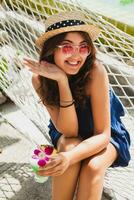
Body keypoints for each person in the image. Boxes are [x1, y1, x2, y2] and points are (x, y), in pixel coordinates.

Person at [24, 11, 131, 200]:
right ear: (51, 50)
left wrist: (69, 158)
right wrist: (62, 82)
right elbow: (70, 131)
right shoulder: (40, 79)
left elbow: (103, 135)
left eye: (83, 47)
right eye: (67, 47)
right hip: (65, 129)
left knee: (93, 166)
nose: (76, 55)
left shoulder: (95, 72)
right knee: (68, 144)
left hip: (105, 133)